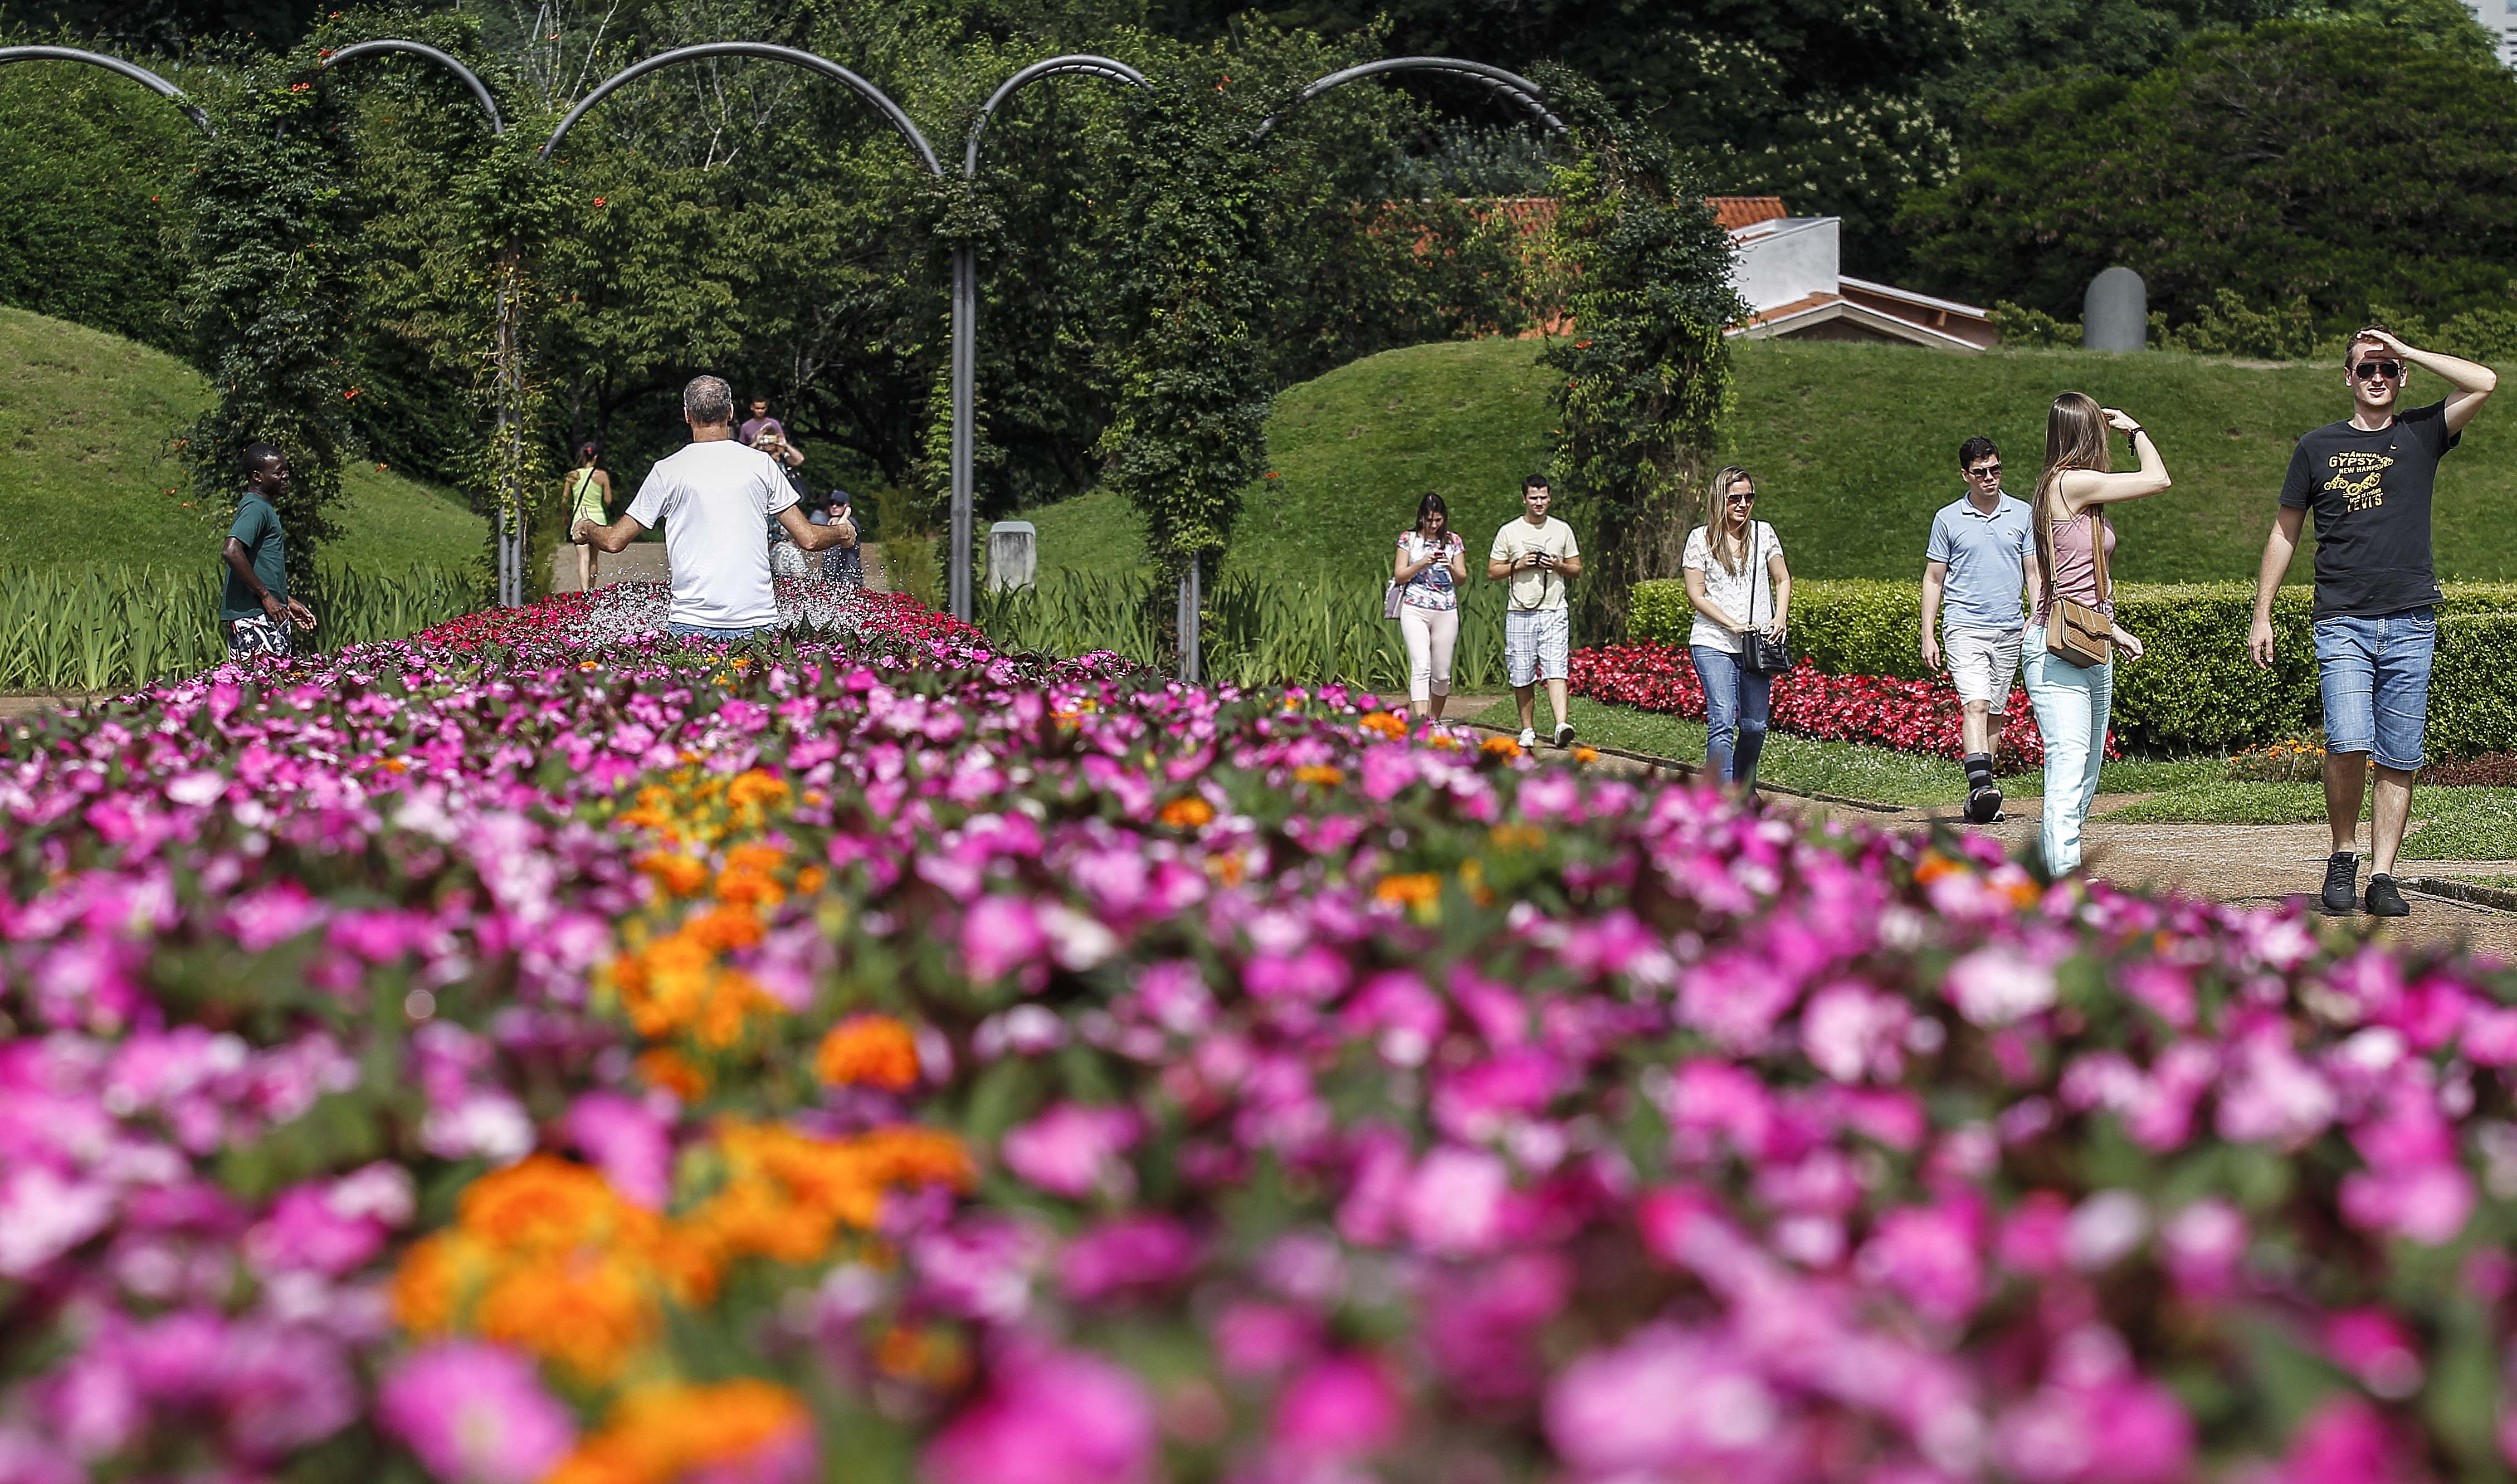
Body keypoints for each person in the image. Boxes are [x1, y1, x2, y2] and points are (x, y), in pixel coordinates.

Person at [2247, 326, 2498, 917]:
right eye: (2367, 369)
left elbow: (2484, 382)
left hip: (2411, 618)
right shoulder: (2316, 446)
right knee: (2347, 741)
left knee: (2400, 754)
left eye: (2388, 370)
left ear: (2402, 376)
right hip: (2343, 621)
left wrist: (2407, 348)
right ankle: (2343, 853)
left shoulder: (2422, 433)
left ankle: (2384, 875)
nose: (2378, 378)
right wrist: (2263, 613)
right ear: (2348, 378)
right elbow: (2285, 533)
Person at [575, 375, 857, 641]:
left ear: (687, 415)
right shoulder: (762, 465)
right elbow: (808, 538)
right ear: (731, 412)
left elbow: (614, 541)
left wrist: (586, 528)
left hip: (690, 625)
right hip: (756, 624)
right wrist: (843, 533)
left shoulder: (667, 470)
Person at [2024, 393, 2171, 876]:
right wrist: (2136, 431)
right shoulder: (2072, 482)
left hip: (2087, 641)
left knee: (2085, 774)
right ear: (2088, 433)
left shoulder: (2063, 488)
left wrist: (2115, 631)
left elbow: (2071, 582)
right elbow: (2158, 480)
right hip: (2058, 651)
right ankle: (2063, 889)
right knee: (2069, 769)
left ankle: (2057, 870)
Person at [1922, 436, 2040, 824]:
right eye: (1980, 472)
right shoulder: (1948, 518)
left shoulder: (2022, 513)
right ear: (1965, 475)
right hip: (1964, 626)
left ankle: (1981, 798)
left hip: (2009, 628)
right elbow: (1934, 578)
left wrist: (2036, 614)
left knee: (1994, 714)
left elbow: (2033, 572)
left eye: (1995, 469)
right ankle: (1980, 788)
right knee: (1975, 704)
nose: (1990, 478)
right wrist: (1929, 633)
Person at [1682, 466, 1791, 793]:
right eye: (1735, 499)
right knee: (1722, 720)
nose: (1743, 505)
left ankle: (1744, 789)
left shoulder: (1764, 533)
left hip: (1757, 643)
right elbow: (1695, 594)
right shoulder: (1700, 539)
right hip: (1713, 641)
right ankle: (1721, 799)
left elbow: (1783, 579)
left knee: (1756, 725)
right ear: (1720, 500)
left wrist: (1780, 617)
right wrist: (1731, 624)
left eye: (1749, 497)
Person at [1487, 474, 1582, 749]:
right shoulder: (1509, 531)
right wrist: (1519, 564)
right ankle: (1527, 728)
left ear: (1549, 498)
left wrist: (1557, 566)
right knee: (1522, 672)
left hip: (1554, 608)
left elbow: (1576, 569)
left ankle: (1561, 724)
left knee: (1556, 668)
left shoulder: (1562, 529)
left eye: (1543, 498)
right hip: (1520, 610)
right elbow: (1493, 571)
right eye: (1534, 498)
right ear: (1524, 499)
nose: (1539, 503)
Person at [219, 443, 316, 659]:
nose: (285, 476)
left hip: (265, 613)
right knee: (262, 688)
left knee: (270, 688)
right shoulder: (255, 508)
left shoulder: (263, 508)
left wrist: (285, 600)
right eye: (277, 472)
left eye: (286, 470)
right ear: (257, 477)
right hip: (255, 619)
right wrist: (266, 597)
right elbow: (232, 551)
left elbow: (259, 566)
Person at [1393, 492, 1468, 721]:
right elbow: (1399, 575)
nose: (1433, 525)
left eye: (1438, 520)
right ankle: (1423, 720)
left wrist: (1449, 566)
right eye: (1429, 520)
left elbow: (1462, 578)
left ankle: (1434, 718)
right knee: (1421, 665)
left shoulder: (1453, 541)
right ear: (1421, 518)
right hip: (1415, 607)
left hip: (1446, 608)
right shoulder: (1409, 539)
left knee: (1442, 674)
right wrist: (1422, 563)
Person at [564, 441, 613, 593]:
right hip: (597, 519)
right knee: (593, 558)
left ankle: (584, 592)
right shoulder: (602, 476)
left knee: (582, 558)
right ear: (596, 457)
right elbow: (608, 500)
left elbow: (565, 499)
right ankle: (591, 592)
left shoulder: (572, 476)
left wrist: (565, 516)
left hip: (579, 517)